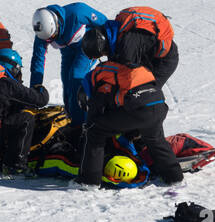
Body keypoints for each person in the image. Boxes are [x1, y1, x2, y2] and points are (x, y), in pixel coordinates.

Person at [76, 60, 183, 188]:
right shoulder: (113, 70)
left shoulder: (97, 80)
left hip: (139, 107)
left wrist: (89, 125)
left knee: (95, 132)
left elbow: (96, 111)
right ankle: (175, 177)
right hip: (158, 104)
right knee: (155, 140)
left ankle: (89, 181)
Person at [30, 3, 108, 125]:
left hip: (87, 46)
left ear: (57, 24)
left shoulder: (77, 13)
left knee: (75, 76)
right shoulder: (42, 34)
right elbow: (38, 61)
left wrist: (106, 48)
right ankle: (70, 117)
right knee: (66, 82)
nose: (51, 41)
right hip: (67, 52)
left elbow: (104, 22)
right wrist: (35, 89)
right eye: (49, 40)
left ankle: (80, 124)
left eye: (54, 37)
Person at [80, 6, 179, 89]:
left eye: (103, 53)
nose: (106, 55)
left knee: (144, 91)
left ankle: (152, 108)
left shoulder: (127, 46)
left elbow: (126, 76)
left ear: (103, 46)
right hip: (146, 53)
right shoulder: (117, 31)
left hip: (163, 61)